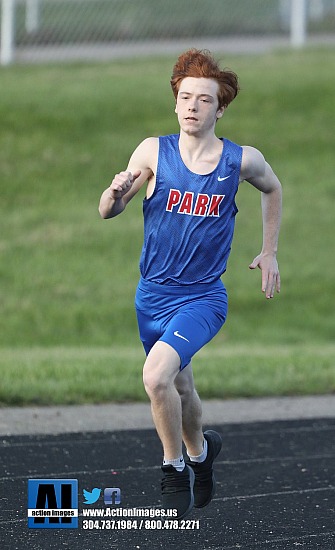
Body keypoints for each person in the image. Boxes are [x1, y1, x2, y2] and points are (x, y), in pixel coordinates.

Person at [98, 48, 282, 520]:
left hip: (202, 297)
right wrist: (114, 194)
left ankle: (173, 467)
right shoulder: (152, 151)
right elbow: (109, 210)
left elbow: (273, 188)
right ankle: (202, 455)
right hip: (151, 296)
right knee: (180, 388)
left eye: (204, 99)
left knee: (155, 376)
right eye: (185, 97)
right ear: (175, 103)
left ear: (220, 108)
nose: (193, 106)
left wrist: (269, 251)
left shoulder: (240, 161)